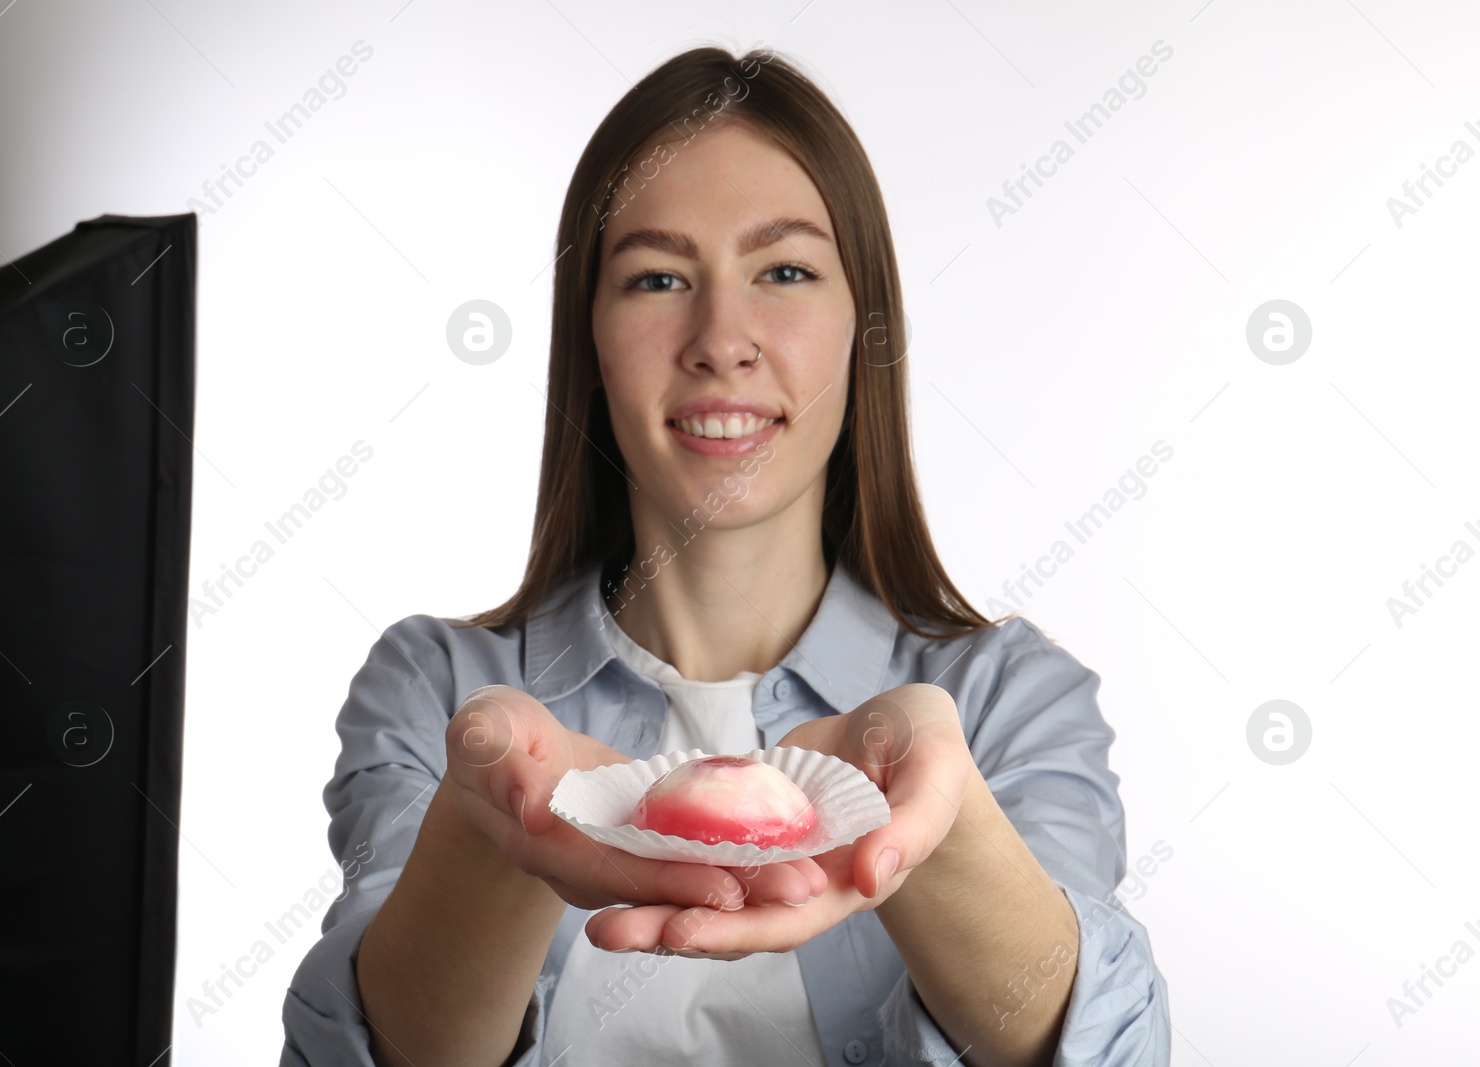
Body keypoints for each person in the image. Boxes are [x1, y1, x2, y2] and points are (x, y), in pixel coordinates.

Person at [280, 44, 1169, 1067]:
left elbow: (1102, 1045)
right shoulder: (440, 689)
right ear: (591, 340)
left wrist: (941, 820)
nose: (721, 337)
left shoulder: (1009, 697)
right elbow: (374, 1047)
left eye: (783, 270)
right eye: (657, 277)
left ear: (861, 327)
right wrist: (486, 837)